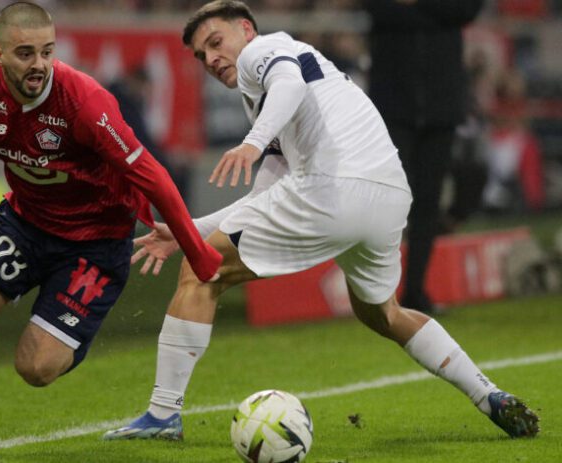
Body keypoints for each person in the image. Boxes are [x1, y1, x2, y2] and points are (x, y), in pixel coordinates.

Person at [103, 0, 539, 442]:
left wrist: (252, 143)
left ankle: (162, 416)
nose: (212, 59)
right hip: (388, 197)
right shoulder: (286, 88)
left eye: (216, 42)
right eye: (202, 55)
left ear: (246, 30)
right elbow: (264, 197)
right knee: (384, 314)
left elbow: (288, 82)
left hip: (332, 187)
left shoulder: (262, 53)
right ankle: (488, 394)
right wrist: (186, 231)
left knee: (204, 270)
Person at [0, 1, 221, 450]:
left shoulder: (84, 101)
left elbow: (152, 176)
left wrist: (198, 253)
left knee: (36, 368)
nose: (39, 64)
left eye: (47, 52)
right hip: (25, 225)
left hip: (95, 241)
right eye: (26, 53)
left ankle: (72, 327)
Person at [366, 0, 484, 313]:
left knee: (428, 202)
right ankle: (379, 291)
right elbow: (377, 9)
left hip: (440, 104)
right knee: (387, 198)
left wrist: (413, 6)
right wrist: (437, 13)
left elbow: (466, 10)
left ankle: (415, 291)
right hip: (394, 104)